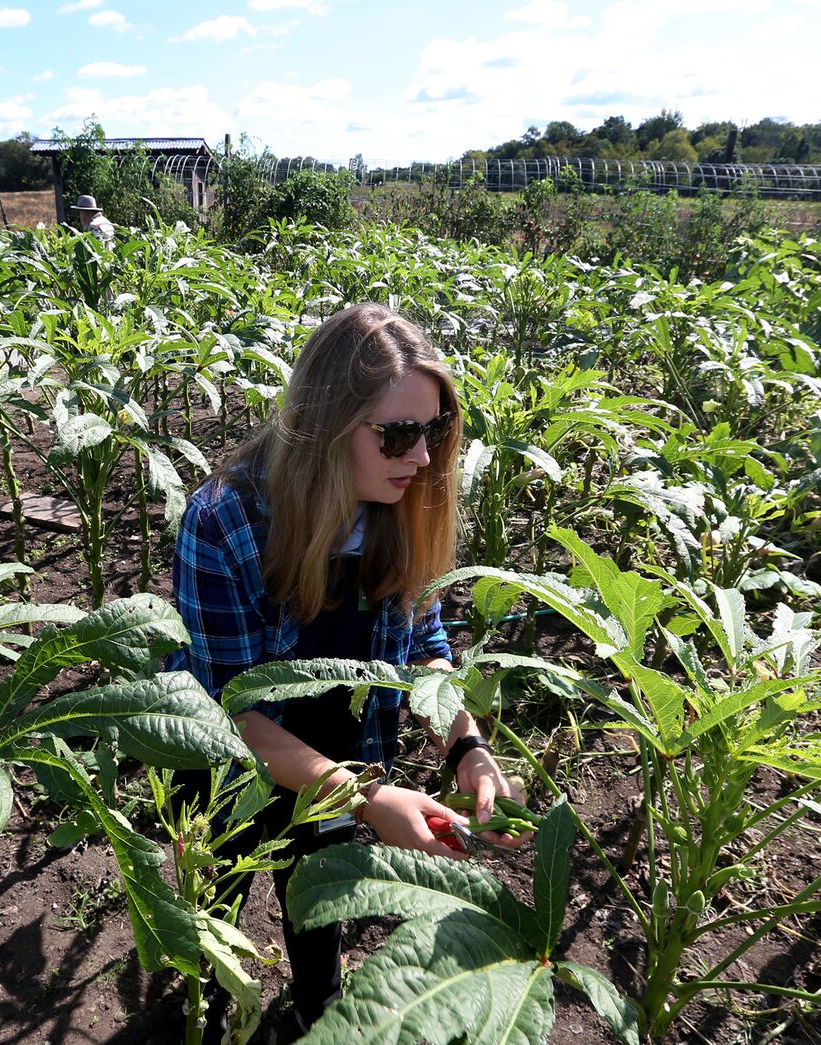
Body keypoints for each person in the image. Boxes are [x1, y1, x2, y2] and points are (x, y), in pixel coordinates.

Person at [168, 302, 528, 1034]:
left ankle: (320, 1009)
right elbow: (228, 712)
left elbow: (425, 645)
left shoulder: (402, 507)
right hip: (230, 769)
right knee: (214, 918)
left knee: (321, 903)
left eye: (436, 430)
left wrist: (468, 746)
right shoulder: (224, 519)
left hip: (341, 750)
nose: (424, 457)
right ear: (330, 427)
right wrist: (366, 798)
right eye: (398, 433)